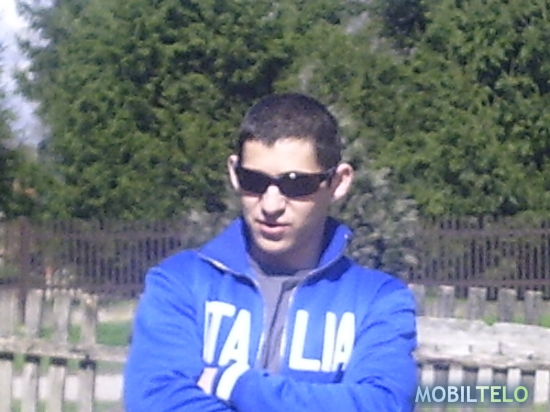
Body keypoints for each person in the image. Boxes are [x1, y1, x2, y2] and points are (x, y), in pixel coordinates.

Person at [123, 92, 418, 411]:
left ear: (338, 182)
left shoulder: (378, 300)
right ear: (234, 173)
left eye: (296, 184)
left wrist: (235, 384)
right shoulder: (179, 283)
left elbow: (382, 404)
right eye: (254, 181)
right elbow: (155, 400)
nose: (271, 204)